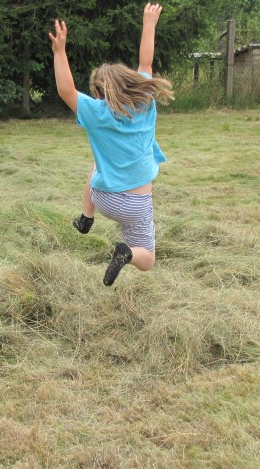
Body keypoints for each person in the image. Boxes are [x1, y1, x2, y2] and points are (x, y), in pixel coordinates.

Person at [49, 3, 174, 286]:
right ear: (129, 82)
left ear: (99, 93)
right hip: (137, 204)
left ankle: (85, 218)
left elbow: (66, 90)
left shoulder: (97, 114)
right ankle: (127, 253)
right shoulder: (145, 101)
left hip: (104, 199)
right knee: (149, 260)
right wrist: (149, 24)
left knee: (96, 167)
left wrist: (60, 52)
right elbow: (145, 62)